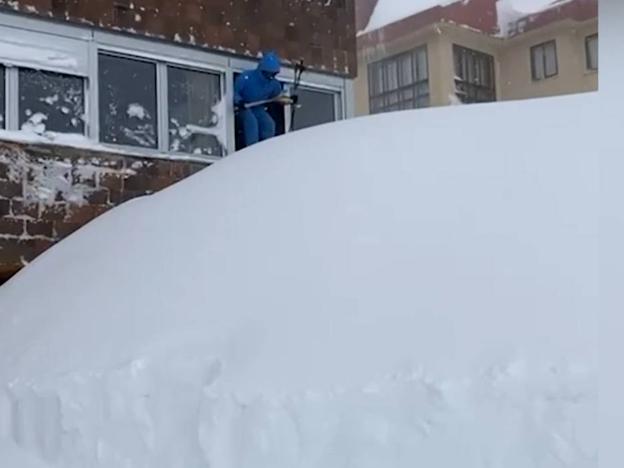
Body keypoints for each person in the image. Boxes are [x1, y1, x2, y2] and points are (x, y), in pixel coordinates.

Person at [234, 51, 291, 148]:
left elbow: (278, 96)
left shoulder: (273, 84)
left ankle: (265, 150)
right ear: (261, 70)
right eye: (267, 74)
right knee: (251, 123)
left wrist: (287, 100)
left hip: (258, 108)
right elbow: (234, 92)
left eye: (273, 74)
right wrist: (239, 101)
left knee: (269, 124)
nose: (270, 77)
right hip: (244, 108)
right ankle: (251, 149)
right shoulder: (246, 77)